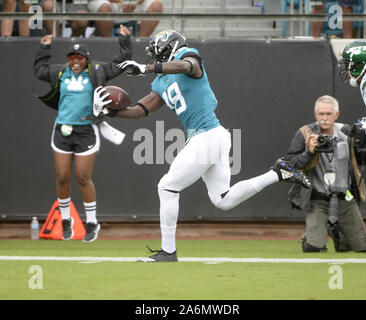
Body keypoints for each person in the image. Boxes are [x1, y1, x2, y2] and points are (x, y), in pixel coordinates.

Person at [93, 30, 311, 262]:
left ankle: (168, 252)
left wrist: (145, 68)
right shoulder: (160, 82)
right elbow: (139, 110)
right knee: (223, 200)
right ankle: (278, 173)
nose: (154, 60)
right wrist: (110, 111)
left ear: (169, 49)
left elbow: (187, 67)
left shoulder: (188, 55)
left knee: (166, 187)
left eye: (157, 55)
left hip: (206, 135)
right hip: (213, 137)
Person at [33, 25, 132, 242]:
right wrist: (44, 47)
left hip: (87, 130)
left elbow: (121, 62)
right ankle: (66, 219)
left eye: (80, 57)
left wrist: (125, 39)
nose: (75, 61)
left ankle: (91, 222)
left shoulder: (97, 71)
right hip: (62, 129)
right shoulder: (60, 72)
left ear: (86, 59)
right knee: (61, 177)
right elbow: (39, 70)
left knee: (83, 177)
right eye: (72, 57)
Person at [285, 95, 366, 252]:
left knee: (365, 247)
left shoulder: (347, 133)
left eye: (328, 114)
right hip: (317, 198)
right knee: (313, 247)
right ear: (315, 114)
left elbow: (361, 159)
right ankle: (312, 234)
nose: (324, 118)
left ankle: (341, 237)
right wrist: (309, 153)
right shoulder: (305, 133)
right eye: (321, 114)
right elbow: (288, 166)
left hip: (344, 198)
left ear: (336, 115)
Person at [87, 0, 163, 37]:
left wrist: (135, 2)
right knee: (104, 7)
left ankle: (139, 44)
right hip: (108, 2)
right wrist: (122, 1)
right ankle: (108, 45)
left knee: (157, 5)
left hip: (134, 3)